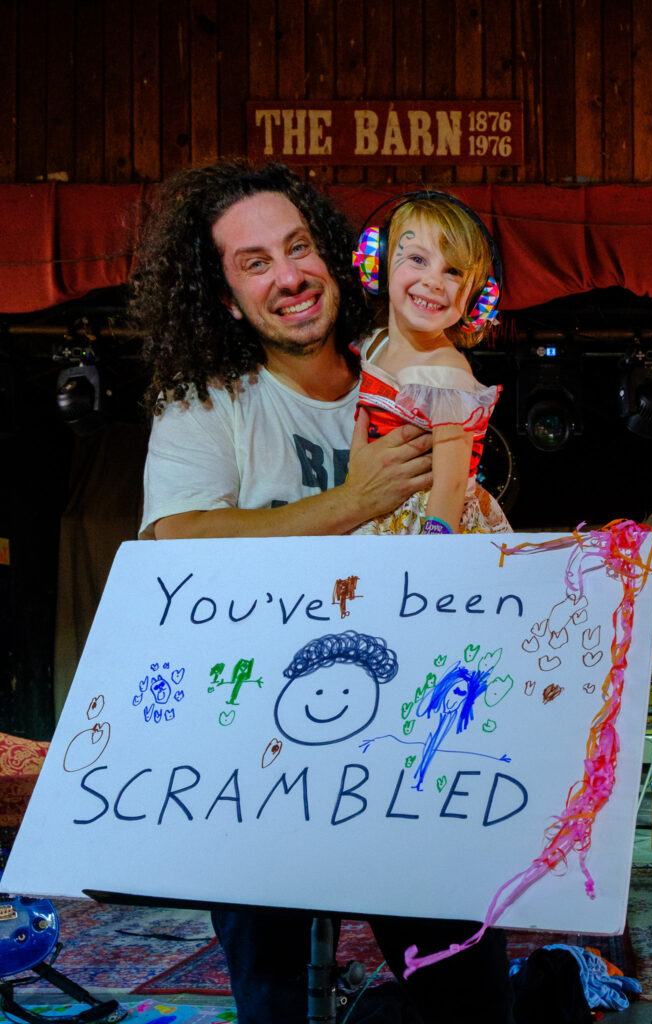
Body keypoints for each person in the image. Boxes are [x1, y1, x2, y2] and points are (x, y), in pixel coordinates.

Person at [130, 159, 513, 1024]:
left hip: (413, 755)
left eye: (297, 247)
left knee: (464, 998)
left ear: (338, 259)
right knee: (278, 1005)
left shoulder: (404, 371)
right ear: (228, 299)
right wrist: (349, 503)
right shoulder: (208, 403)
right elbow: (176, 543)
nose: (289, 275)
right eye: (254, 262)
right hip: (261, 762)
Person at [351, 192, 510, 535]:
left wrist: (432, 551)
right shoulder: (375, 343)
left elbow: (450, 486)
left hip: (427, 525)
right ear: (377, 262)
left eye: (453, 272)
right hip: (377, 507)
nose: (434, 282)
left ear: (477, 298)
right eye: (417, 259)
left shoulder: (446, 374)